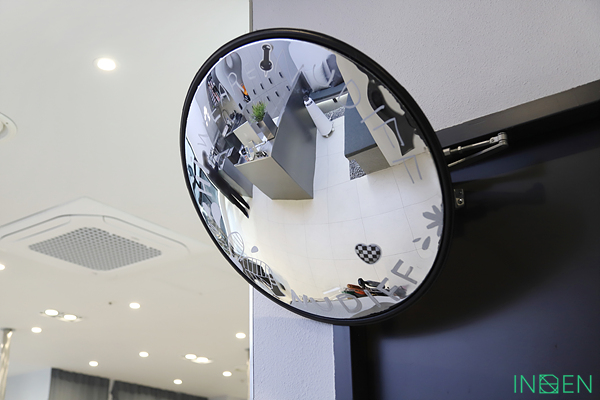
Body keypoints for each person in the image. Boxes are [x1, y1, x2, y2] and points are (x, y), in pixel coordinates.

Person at [202, 151, 250, 218]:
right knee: (236, 197)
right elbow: (214, 170)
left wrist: (215, 165)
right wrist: (216, 164)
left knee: (235, 201)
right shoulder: (209, 169)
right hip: (225, 186)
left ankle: (244, 210)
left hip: (223, 189)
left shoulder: (209, 172)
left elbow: (214, 171)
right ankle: (245, 206)